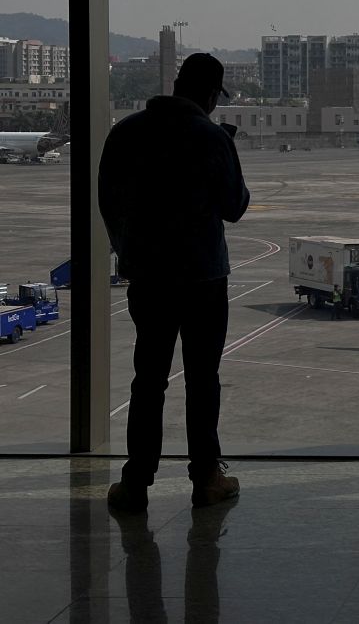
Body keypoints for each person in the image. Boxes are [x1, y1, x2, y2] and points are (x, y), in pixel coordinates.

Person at [99, 53, 249, 513]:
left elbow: (108, 200)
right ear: (210, 94)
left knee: (148, 380)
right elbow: (235, 205)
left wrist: (129, 251)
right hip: (203, 278)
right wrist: (226, 146)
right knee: (203, 380)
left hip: (149, 277)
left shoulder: (126, 132)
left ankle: (135, 482)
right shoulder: (209, 136)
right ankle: (206, 476)